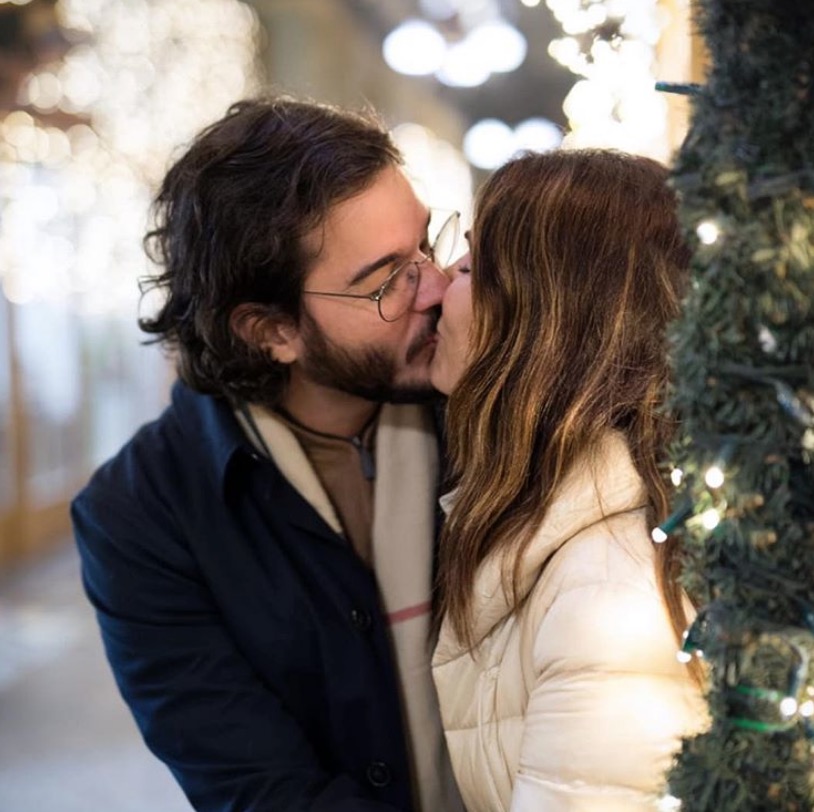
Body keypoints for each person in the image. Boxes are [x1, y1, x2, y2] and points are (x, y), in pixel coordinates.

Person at [71, 95, 465, 812]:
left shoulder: (473, 412)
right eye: (385, 282)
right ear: (270, 330)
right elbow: (259, 791)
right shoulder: (140, 514)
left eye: (427, 246)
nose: (435, 288)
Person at [430, 149, 708, 811]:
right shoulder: (549, 525)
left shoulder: (609, 597)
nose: (439, 284)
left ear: (544, 318)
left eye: (470, 265)